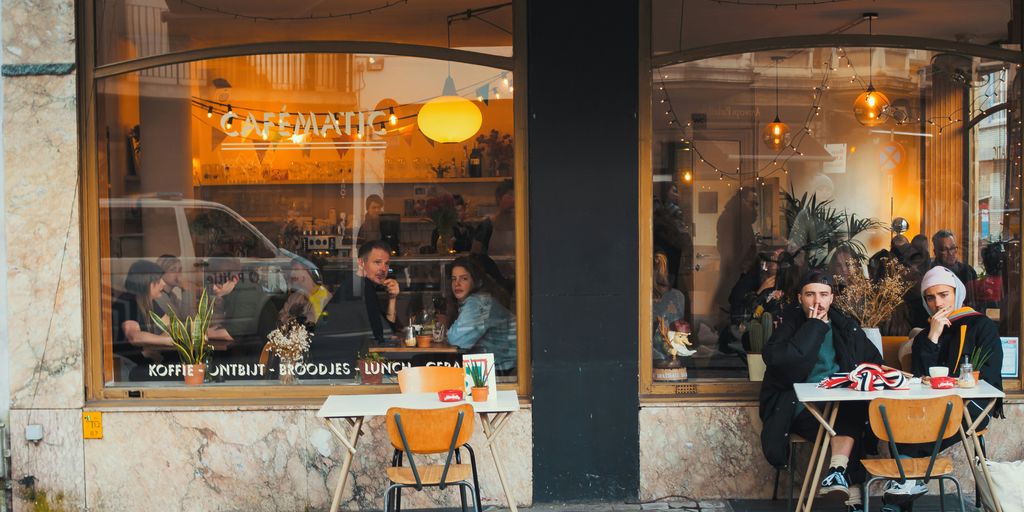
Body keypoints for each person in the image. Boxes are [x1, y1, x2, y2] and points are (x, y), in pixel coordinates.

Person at [759, 270, 883, 512]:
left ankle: (836, 471)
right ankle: (852, 494)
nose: (817, 301)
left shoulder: (845, 326)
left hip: (840, 402)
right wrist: (814, 326)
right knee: (849, 422)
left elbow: (873, 360)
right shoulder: (789, 325)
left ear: (832, 298)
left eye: (824, 294)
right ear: (799, 298)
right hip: (799, 406)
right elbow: (786, 364)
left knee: (854, 411)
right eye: (810, 294)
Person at [883, 266, 1005, 508]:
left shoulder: (982, 327)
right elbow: (919, 379)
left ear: (956, 293)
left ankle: (903, 491)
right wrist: (933, 338)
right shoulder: (924, 336)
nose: (937, 303)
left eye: (943, 295)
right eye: (930, 297)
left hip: (972, 407)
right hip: (930, 405)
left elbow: (989, 378)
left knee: (915, 431)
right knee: (899, 425)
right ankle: (906, 488)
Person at [445, 256, 517, 375]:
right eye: (454, 279)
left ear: (476, 281)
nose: (457, 284)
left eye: (464, 278)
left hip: (502, 368)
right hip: (501, 363)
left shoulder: (478, 303)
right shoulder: (478, 299)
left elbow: (457, 339)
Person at [111, 259, 175, 380]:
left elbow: (171, 326)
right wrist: (166, 340)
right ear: (145, 282)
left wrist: (154, 346)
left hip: (141, 364)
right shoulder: (128, 302)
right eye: (158, 280)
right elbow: (134, 336)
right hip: (128, 369)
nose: (163, 284)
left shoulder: (148, 302)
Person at [357, 240, 402, 343]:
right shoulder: (364, 288)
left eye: (386, 264)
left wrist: (392, 298)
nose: (383, 269)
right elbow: (381, 335)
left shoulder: (366, 285)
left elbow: (386, 330)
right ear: (361, 263)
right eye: (377, 262)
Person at [653, 252, 687, 361]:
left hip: (670, 351)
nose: (662, 271)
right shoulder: (644, 298)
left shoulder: (676, 296)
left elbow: (679, 330)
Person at [279, 259, 332, 327]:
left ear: (309, 272)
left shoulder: (324, 298)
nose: (292, 273)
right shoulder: (294, 296)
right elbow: (280, 317)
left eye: (296, 269)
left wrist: (286, 319)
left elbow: (307, 325)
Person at [931, 230, 977, 307]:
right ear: (935, 252)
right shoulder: (931, 274)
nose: (950, 253)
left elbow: (974, 301)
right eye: (944, 250)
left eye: (952, 248)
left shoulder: (968, 271)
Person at [472, 180, 515, 256]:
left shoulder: (524, 226)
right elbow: (475, 257)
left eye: (517, 196)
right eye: (510, 196)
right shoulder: (487, 226)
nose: (514, 200)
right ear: (499, 198)